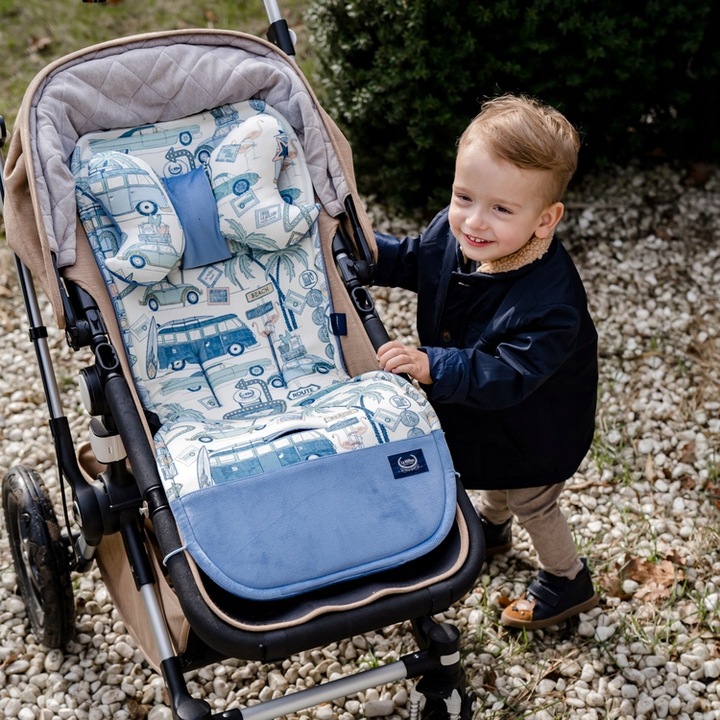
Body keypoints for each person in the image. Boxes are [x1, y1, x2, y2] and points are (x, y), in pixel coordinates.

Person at [374, 93, 599, 629]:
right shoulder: (461, 235)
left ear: (545, 220)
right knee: (497, 471)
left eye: (501, 209)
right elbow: (419, 259)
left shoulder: (551, 305)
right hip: (493, 418)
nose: (474, 221)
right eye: (464, 197)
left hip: (538, 424)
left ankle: (567, 580)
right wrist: (373, 256)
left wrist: (434, 365)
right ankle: (492, 529)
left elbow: (506, 374)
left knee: (531, 497)